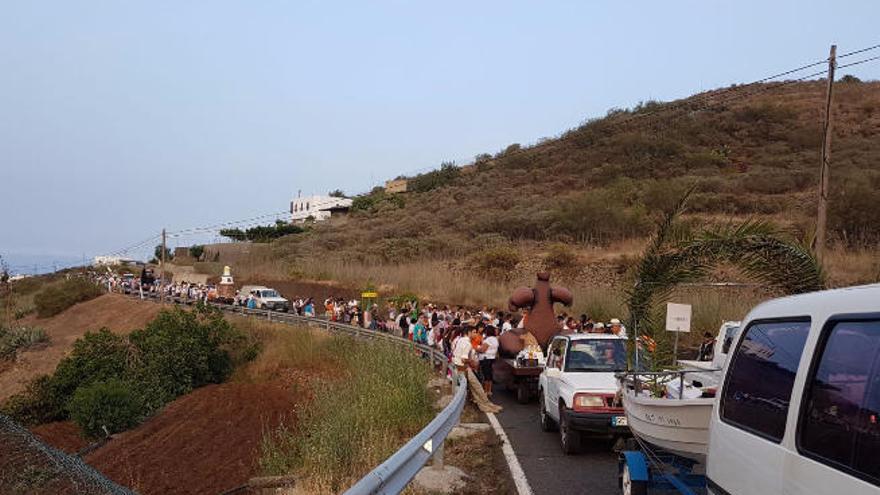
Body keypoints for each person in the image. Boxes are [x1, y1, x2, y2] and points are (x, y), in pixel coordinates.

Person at [480, 326, 499, 396]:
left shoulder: (488, 340)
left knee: (486, 375)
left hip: (486, 358)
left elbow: (483, 350)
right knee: (490, 374)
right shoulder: (495, 339)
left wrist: (477, 348)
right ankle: (489, 390)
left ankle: (485, 390)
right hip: (492, 358)